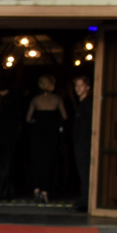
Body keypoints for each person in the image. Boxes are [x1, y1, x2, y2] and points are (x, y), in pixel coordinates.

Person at [25, 74, 67, 204]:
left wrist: (36, 122)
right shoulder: (57, 99)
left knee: (36, 161)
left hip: (38, 133)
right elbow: (65, 116)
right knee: (48, 162)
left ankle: (36, 189)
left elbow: (28, 118)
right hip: (51, 134)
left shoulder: (35, 100)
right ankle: (45, 191)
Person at [71, 75, 93, 212]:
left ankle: (86, 200)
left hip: (85, 142)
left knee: (85, 171)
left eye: (81, 86)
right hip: (80, 142)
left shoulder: (88, 104)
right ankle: (85, 198)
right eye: (76, 86)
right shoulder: (82, 103)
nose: (78, 88)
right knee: (82, 171)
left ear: (88, 87)